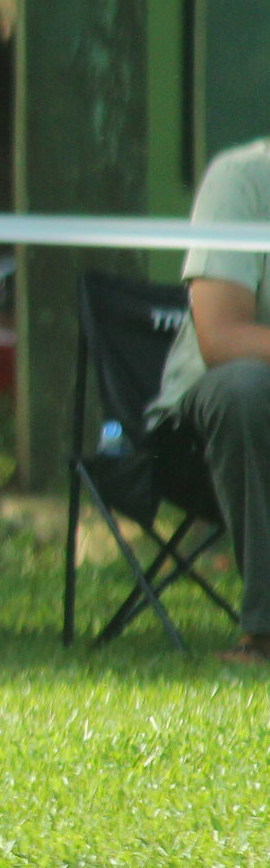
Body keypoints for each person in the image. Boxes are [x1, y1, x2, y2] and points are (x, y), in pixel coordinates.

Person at [144, 137, 270, 665]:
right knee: (246, 388)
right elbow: (222, 339)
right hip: (205, 437)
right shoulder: (244, 179)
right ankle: (265, 634)